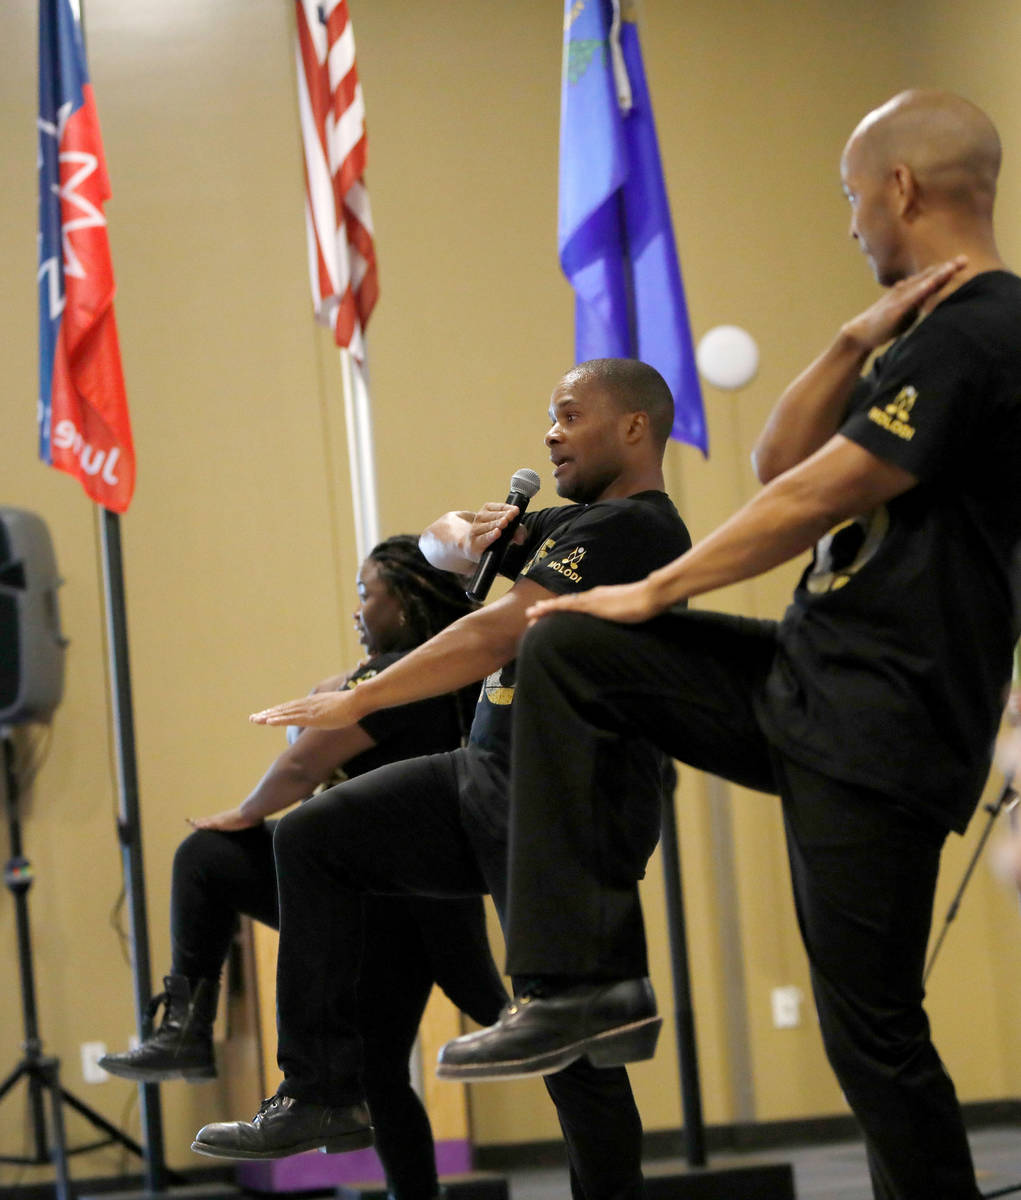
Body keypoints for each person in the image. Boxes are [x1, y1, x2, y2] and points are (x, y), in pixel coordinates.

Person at [436, 90, 1021, 1200]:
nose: (851, 224)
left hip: (886, 723)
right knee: (564, 648)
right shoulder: (930, 333)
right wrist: (858, 335)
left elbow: (813, 495)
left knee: (871, 1037)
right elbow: (775, 458)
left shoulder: (990, 331)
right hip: (807, 682)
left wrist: (652, 588)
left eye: (853, 198)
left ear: (900, 188)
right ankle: (578, 984)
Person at [191, 357, 693, 1200]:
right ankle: (320, 1093)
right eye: (549, 418)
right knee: (314, 836)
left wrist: (366, 692)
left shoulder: (637, 530)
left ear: (634, 427)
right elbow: (434, 552)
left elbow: (495, 629)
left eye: (569, 416)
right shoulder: (571, 529)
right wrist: (457, 537)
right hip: (486, 776)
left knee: (568, 1047)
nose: (550, 434)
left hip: (566, 806)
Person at [99, 535, 509, 1200]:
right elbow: (323, 708)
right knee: (380, 1072)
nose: (356, 610)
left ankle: (184, 1032)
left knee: (209, 855)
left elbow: (302, 763)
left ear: (402, 603)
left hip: (378, 904)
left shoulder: (393, 681)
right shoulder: (433, 675)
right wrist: (340, 684)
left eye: (365, 594)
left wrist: (243, 813)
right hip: (414, 909)